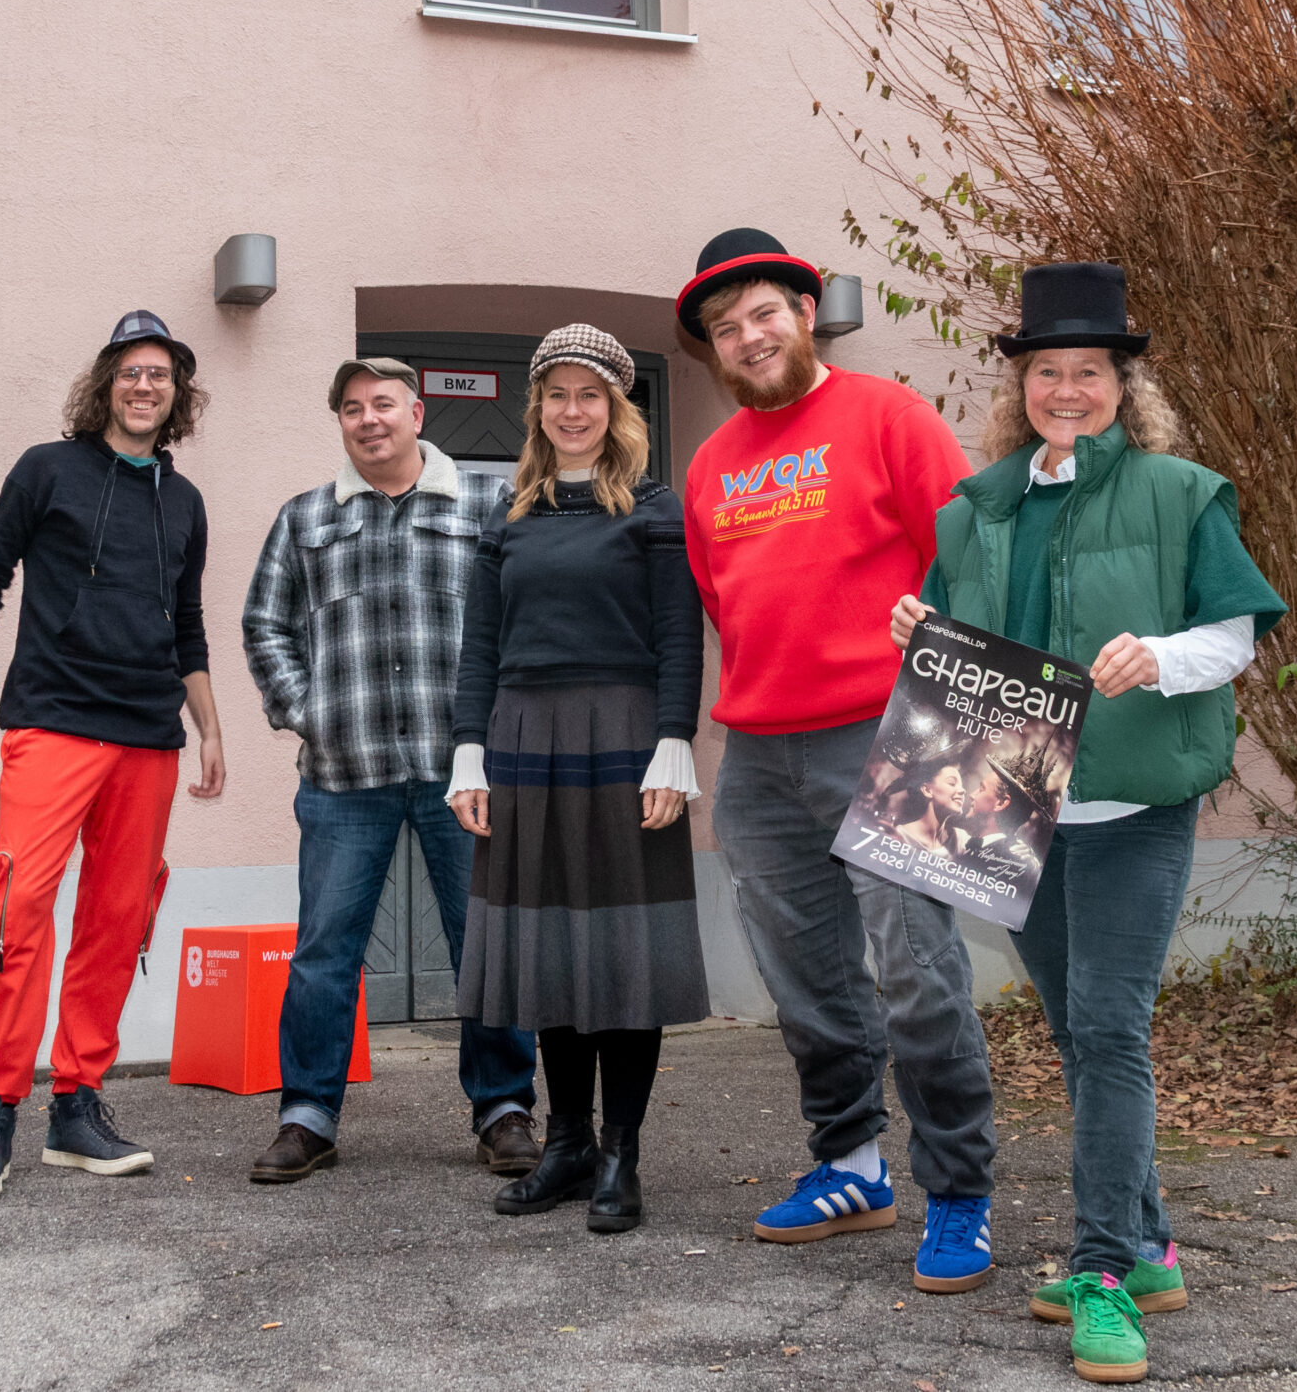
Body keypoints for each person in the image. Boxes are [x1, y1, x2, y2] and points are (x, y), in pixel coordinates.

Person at [889, 262, 1287, 1385]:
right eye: (1048, 370)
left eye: (1091, 370)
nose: (1068, 388)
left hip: (1129, 807)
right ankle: (1151, 1245)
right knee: (1076, 1032)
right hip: (1006, 801)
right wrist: (915, 619)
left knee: (1109, 1032)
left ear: (1125, 383)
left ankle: (1106, 1268)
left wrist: (1158, 656)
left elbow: (1236, 630)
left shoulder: (1180, 492)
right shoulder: (976, 506)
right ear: (1020, 385)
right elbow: (947, 629)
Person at [677, 228, 996, 1293]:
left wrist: (959, 723)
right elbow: (727, 607)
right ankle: (851, 1162)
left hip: (895, 729)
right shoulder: (712, 465)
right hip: (761, 753)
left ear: (805, 313)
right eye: (726, 328)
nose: (747, 335)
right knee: (805, 976)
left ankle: (957, 1189)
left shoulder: (888, 415)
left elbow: (969, 564)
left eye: (763, 313)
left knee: (917, 968)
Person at [0, 311, 227, 1198]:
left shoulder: (184, 502)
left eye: (162, 375)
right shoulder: (46, 470)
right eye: (131, 372)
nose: (146, 387)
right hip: (52, 723)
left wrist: (210, 727)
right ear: (105, 384)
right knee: (20, 905)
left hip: (148, 738)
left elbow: (187, 626)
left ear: (178, 394)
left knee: (115, 920)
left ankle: (78, 1103)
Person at [242, 357, 538, 1184]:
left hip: (465, 773)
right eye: (350, 408)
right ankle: (308, 1117)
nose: (368, 419)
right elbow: (265, 626)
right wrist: (311, 711)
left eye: (382, 405)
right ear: (339, 423)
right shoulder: (304, 518)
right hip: (346, 768)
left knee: (486, 942)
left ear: (416, 413)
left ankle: (504, 1108)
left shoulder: (488, 506)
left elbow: (527, 620)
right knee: (324, 953)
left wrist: (504, 726)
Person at [447, 325, 708, 1234]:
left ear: (616, 407)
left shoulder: (653, 507)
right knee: (551, 950)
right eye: (556, 395)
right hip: (522, 740)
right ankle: (567, 1145)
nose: (571, 410)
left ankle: (623, 1155)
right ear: (538, 408)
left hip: (625, 738)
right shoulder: (507, 513)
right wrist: (466, 751)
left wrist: (675, 742)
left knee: (624, 954)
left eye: (588, 394)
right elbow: (480, 644)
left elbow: (680, 634)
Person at [892, 757, 968, 858]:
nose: (963, 790)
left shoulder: (960, 840)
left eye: (961, 785)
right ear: (927, 790)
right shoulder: (899, 837)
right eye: (952, 783)